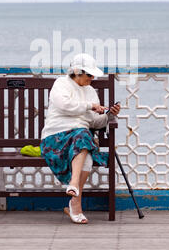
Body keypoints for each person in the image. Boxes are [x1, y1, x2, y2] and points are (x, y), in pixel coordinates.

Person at [40, 53, 120, 224]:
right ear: (76, 71)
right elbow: (64, 105)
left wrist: (108, 116)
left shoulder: (91, 91)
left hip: (80, 138)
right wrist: (90, 106)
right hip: (56, 136)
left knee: (86, 152)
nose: (92, 78)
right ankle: (75, 187)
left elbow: (93, 122)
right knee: (84, 137)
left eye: (93, 75)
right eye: (89, 74)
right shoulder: (61, 84)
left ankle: (74, 198)